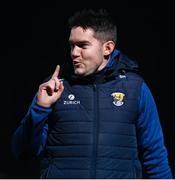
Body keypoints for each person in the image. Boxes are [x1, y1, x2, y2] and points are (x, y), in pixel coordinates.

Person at [12, 8, 173, 179]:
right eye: (72, 45)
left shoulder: (135, 88)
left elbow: (155, 156)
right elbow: (22, 152)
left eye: (83, 45)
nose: (74, 53)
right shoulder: (54, 88)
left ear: (107, 48)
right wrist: (40, 108)